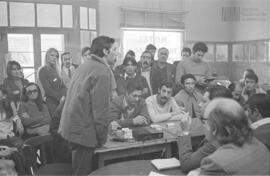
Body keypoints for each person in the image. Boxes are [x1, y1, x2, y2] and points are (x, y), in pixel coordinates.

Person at [59, 36, 117, 175]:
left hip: (71, 128)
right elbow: (100, 112)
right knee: (82, 172)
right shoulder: (102, 71)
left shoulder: (86, 65)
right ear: (105, 51)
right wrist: (103, 138)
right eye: (115, 50)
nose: (117, 53)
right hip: (83, 132)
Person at [199, 98, 270, 175]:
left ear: (215, 128)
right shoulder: (259, 144)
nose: (204, 126)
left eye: (204, 121)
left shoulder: (215, 163)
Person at [177, 85, 232, 173]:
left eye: (204, 101)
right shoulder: (229, 126)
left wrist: (185, 132)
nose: (199, 105)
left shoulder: (217, 139)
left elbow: (186, 165)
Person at [38, 48, 67, 116]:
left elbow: (63, 86)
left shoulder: (58, 71)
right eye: (52, 55)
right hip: (52, 103)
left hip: (62, 101)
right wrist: (60, 98)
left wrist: (63, 96)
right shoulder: (43, 71)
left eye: (56, 56)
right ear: (47, 56)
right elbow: (48, 90)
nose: (54, 58)